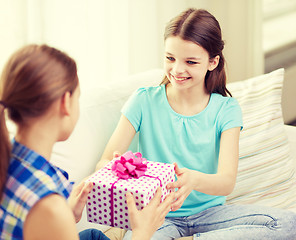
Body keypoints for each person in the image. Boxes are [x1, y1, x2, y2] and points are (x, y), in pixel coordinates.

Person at [96, 8, 296, 240]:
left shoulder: (226, 109)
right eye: (170, 58)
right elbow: (104, 162)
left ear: (213, 62)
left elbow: (226, 182)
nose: (177, 70)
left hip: (211, 215)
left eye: (190, 61)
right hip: (159, 216)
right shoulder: (143, 100)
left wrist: (193, 180)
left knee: (287, 224)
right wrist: (127, 174)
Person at [0, 44, 175, 240]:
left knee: (93, 236)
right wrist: (142, 232)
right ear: (65, 102)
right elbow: (44, 216)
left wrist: (68, 213)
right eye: (77, 97)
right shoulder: (48, 207)